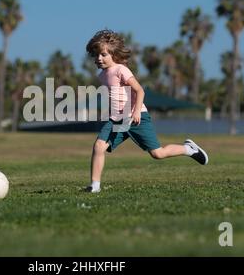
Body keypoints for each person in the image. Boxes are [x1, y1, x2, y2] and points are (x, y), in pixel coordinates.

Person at [84, 30, 208, 193]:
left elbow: (139, 91)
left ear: (113, 54)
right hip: (118, 120)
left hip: (136, 117)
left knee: (157, 154)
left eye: (103, 54)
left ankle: (188, 149)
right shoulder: (102, 75)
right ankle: (95, 186)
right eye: (96, 55)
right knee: (99, 146)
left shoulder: (121, 70)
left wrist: (135, 112)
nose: (99, 58)